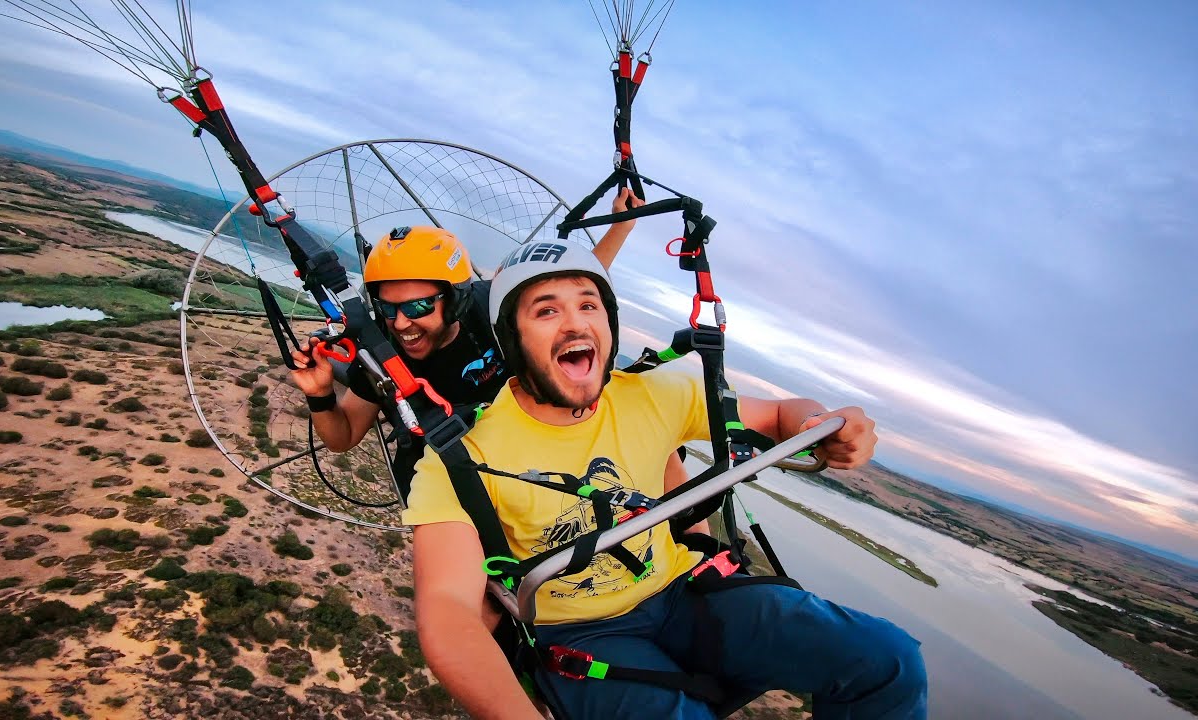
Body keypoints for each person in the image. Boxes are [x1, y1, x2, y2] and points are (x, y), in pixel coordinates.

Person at [404, 241, 927, 719]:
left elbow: (779, 415)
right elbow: (449, 610)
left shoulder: (653, 395)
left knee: (889, 662)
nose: (575, 324)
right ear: (513, 342)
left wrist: (820, 425)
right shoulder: (462, 459)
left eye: (589, 305)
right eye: (546, 311)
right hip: (583, 631)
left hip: (684, 593)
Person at [289, 188, 647, 500]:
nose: (401, 323)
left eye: (419, 306)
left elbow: (565, 285)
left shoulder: (490, 305)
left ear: (456, 299)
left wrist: (621, 226)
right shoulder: (382, 354)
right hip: (461, 475)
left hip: (536, 448)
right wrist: (319, 394)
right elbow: (344, 435)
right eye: (387, 308)